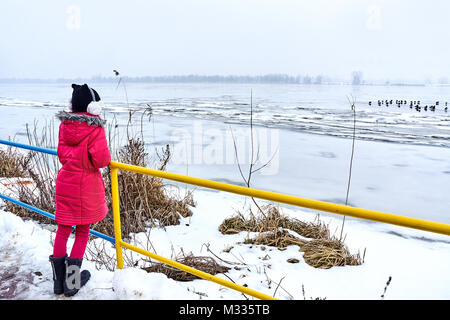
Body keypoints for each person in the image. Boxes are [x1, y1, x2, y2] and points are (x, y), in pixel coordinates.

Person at [49, 83, 111, 297]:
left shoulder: (64, 126)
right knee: (83, 232)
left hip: (66, 182)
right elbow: (102, 160)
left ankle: (58, 284)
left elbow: (62, 154)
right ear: (93, 107)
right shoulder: (95, 128)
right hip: (86, 187)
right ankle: (72, 283)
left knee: (63, 230)